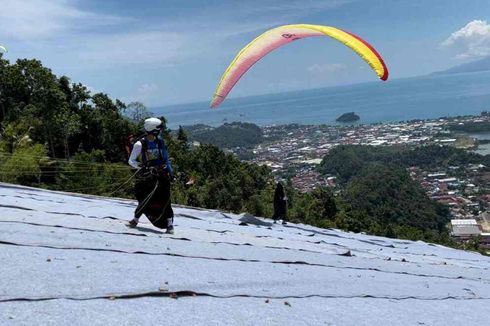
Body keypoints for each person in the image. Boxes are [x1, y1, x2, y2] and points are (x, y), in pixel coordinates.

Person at [127, 117, 175, 234]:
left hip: (161, 173)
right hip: (148, 175)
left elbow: (165, 158)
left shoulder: (160, 142)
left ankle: (169, 224)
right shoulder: (140, 144)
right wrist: (141, 166)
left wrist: (171, 173)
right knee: (145, 197)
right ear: (153, 130)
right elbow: (131, 161)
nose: (160, 131)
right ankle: (135, 219)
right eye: (159, 129)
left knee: (166, 197)